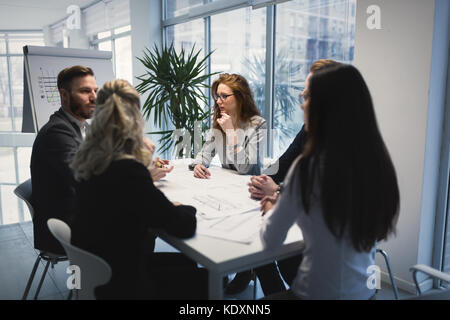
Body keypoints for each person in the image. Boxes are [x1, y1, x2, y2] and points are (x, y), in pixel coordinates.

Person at [260, 64, 400, 299]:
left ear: (322, 106)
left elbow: (270, 241)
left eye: (307, 96)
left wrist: (270, 209)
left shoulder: (308, 168)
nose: (302, 103)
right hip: (366, 294)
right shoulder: (379, 164)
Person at [70, 79, 208, 299]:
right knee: (202, 276)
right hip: (123, 283)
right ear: (135, 117)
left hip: (97, 271)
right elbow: (184, 226)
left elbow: (123, 202)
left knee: (185, 265)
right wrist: (182, 207)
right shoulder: (128, 170)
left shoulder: (89, 158)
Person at [227, 59, 340, 296]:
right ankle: (273, 290)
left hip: (315, 286)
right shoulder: (370, 160)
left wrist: (275, 196)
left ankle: (271, 290)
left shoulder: (313, 163)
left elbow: (271, 237)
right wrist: (263, 180)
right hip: (356, 288)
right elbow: (283, 164)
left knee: (259, 244)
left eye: (308, 94)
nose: (301, 96)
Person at [30, 65, 97, 254]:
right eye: (85, 91)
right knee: (142, 221)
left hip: (80, 212)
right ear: (64, 95)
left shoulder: (82, 127)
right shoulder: (57, 131)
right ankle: (121, 280)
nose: (94, 97)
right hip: (66, 227)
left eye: (95, 90)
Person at [190, 73, 266, 178]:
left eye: (224, 96)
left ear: (241, 97)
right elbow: (205, 154)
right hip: (228, 183)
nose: (218, 101)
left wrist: (230, 132)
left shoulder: (258, 124)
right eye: (217, 96)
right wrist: (198, 165)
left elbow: (246, 169)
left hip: (249, 184)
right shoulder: (220, 121)